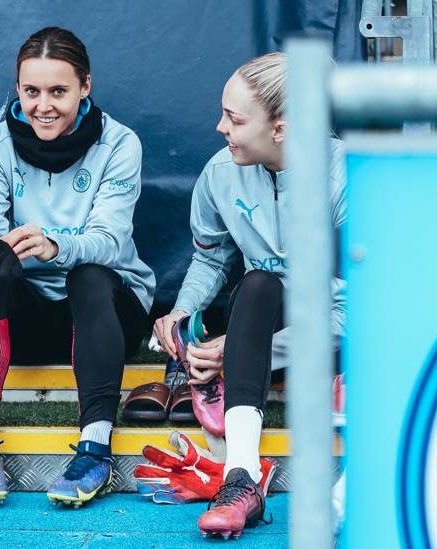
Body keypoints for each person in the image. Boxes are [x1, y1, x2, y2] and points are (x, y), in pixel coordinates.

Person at [0, 27, 156, 508]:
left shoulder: (120, 144)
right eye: (31, 91)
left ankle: (95, 449)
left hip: (104, 308)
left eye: (58, 91)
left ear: (85, 87)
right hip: (30, 311)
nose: (43, 105)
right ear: (18, 89)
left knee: (87, 275)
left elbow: (109, 243)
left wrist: (53, 246)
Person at [151, 53, 347, 539]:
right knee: (258, 284)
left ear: (280, 128)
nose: (220, 127)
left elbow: (364, 308)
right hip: (265, 313)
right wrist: (183, 312)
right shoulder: (221, 172)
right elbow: (212, 259)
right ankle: (241, 480)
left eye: (234, 119)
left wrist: (237, 348)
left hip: (338, 325)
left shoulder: (349, 176)